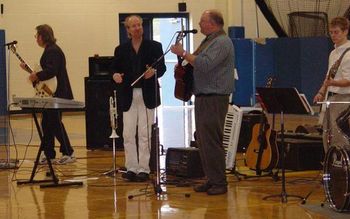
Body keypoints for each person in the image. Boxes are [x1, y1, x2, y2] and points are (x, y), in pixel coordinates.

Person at [170, 10, 235, 195]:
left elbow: (205, 64)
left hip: (214, 97)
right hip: (204, 96)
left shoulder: (222, 42)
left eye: (202, 21)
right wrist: (184, 61)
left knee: (212, 141)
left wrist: (183, 52)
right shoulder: (210, 40)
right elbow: (196, 62)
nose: (199, 24)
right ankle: (212, 178)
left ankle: (219, 182)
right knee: (204, 140)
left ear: (212, 24)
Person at [111, 15, 166, 182]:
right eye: (133, 26)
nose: (137, 28)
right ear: (127, 30)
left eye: (139, 25)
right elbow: (114, 70)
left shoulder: (155, 46)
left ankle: (144, 168)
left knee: (144, 133)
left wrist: (154, 72)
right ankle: (131, 167)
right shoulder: (120, 49)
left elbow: (162, 67)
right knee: (128, 133)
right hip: (128, 94)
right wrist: (115, 76)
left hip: (147, 94)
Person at [20, 24, 75, 165]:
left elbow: (51, 71)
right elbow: (48, 75)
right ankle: (49, 153)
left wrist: (36, 76)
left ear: (43, 36)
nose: (36, 39)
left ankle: (68, 153)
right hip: (52, 93)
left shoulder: (52, 51)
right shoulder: (50, 50)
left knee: (55, 123)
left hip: (58, 93)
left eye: (36, 36)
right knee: (47, 124)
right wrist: (32, 74)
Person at [313, 16, 350, 153]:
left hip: (344, 99)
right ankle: (330, 165)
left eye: (336, 32)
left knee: (338, 135)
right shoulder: (333, 53)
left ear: (345, 32)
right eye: (331, 32)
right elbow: (329, 76)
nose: (333, 35)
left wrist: (333, 82)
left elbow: (348, 80)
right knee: (326, 134)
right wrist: (321, 91)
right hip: (331, 98)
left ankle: (341, 167)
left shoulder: (349, 53)